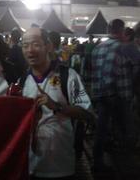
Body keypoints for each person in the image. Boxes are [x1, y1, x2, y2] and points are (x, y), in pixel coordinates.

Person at [20, 26, 92, 179]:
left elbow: (87, 114)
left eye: (36, 44)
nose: (30, 50)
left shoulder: (68, 76)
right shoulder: (21, 81)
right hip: (30, 165)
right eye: (25, 45)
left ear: (49, 46)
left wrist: (57, 106)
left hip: (61, 166)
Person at [91, 19, 140, 171]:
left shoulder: (97, 48)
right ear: (121, 30)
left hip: (100, 94)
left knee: (101, 129)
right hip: (119, 94)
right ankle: (127, 166)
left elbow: (90, 70)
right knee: (126, 130)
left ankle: (97, 162)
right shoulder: (125, 47)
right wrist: (132, 83)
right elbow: (138, 67)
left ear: (108, 30)